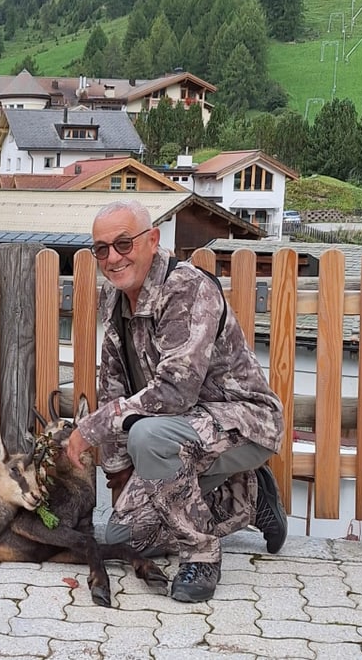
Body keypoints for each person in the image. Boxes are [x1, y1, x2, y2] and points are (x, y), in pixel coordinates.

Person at [65, 200, 287, 603]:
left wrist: (89, 429)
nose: (112, 257)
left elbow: (174, 392)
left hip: (245, 422)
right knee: (124, 535)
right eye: (101, 249)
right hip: (181, 432)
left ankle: (201, 553)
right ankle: (249, 501)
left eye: (124, 243)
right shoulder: (115, 299)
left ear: (152, 240)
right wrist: (118, 470)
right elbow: (113, 385)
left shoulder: (187, 288)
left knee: (149, 436)